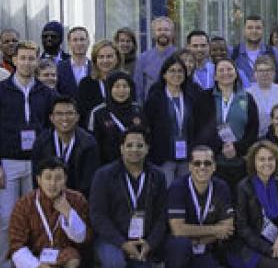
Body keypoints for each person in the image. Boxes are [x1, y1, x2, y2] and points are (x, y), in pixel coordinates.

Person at [89, 126, 168, 268]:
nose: (135, 149)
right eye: (129, 145)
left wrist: (150, 243)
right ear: (121, 148)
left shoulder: (157, 176)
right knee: (114, 262)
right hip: (112, 239)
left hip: (142, 241)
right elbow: (98, 216)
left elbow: (162, 216)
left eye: (139, 145)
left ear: (147, 148)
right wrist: (123, 243)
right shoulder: (104, 175)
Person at [0, 40, 55, 268]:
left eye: (31, 58)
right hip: (8, 162)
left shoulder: (46, 93)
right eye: (22, 58)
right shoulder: (2, 90)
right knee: (6, 219)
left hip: (37, 164)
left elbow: (52, 127)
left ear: (36, 61)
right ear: (14, 60)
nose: (27, 63)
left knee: (35, 220)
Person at [8, 157, 89, 268]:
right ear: (38, 179)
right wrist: (38, 267)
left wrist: (68, 213)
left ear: (65, 179)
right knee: (29, 260)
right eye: (48, 178)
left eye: (58, 178)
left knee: (73, 259)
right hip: (36, 253)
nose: (53, 184)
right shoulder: (24, 203)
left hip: (63, 251)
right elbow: (16, 242)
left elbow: (83, 238)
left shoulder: (77, 200)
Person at [163, 144, 235, 268]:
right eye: (197, 163)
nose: (202, 167)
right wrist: (215, 230)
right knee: (179, 244)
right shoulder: (177, 188)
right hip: (179, 247)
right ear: (189, 166)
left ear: (214, 166)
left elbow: (228, 227)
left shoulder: (221, 187)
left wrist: (197, 240)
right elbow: (177, 229)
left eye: (207, 163)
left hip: (203, 248)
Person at [226, 140, 278, 268]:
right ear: (253, 162)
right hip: (249, 245)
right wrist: (269, 250)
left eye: (270, 159)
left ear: (276, 162)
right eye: (261, 159)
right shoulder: (243, 187)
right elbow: (243, 228)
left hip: (274, 239)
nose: (267, 163)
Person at [195, 57, 259, 192]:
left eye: (229, 69)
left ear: (236, 73)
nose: (226, 73)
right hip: (212, 160)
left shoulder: (247, 98)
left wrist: (236, 148)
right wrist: (220, 146)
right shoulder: (205, 98)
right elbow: (200, 128)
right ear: (215, 76)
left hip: (240, 161)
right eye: (221, 70)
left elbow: (253, 130)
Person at [144, 54, 201, 185]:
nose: (176, 74)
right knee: (166, 193)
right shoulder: (155, 97)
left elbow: (198, 124)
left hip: (187, 156)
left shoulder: (192, 95)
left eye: (180, 71)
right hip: (163, 156)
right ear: (164, 74)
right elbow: (148, 126)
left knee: (186, 192)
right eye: (172, 71)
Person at [31, 95, 99, 199]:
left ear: (77, 117)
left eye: (69, 113)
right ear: (51, 118)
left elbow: (89, 182)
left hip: (78, 200)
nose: (64, 118)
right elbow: (37, 177)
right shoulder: (41, 142)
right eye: (59, 114)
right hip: (47, 198)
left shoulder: (89, 143)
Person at [88, 70, 147, 166]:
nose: (121, 90)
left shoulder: (138, 110)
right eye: (117, 86)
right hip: (107, 167)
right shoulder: (98, 113)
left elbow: (146, 138)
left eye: (125, 86)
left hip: (136, 165)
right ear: (109, 88)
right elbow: (93, 145)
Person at [229, 14, 278, 88]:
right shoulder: (233, 53)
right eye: (250, 28)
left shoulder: (274, 53)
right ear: (244, 30)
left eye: (258, 28)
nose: (254, 31)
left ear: (263, 30)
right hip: (242, 98)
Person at [76, 39, 122, 126]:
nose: (105, 61)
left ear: (117, 58)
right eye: (101, 57)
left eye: (109, 56)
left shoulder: (125, 82)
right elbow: (81, 115)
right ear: (95, 60)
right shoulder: (86, 84)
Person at [134, 16, 176, 102]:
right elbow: (138, 90)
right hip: (151, 108)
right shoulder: (143, 58)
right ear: (153, 34)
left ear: (172, 33)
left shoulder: (180, 56)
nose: (163, 33)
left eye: (166, 30)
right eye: (159, 30)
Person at [56, 26, 92, 99]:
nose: (79, 43)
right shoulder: (59, 68)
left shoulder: (96, 68)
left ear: (88, 42)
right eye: (75, 40)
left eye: (82, 39)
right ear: (69, 43)